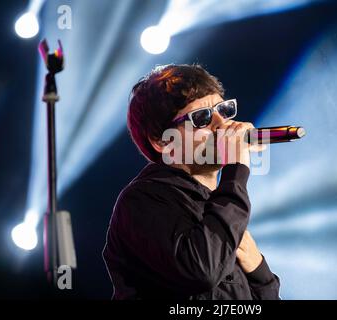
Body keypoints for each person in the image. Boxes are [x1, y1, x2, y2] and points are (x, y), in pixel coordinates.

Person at [103, 64, 280, 300]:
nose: (220, 124)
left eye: (224, 110)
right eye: (202, 117)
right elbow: (202, 272)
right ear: (162, 141)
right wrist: (236, 168)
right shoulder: (143, 200)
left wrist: (258, 270)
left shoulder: (220, 210)